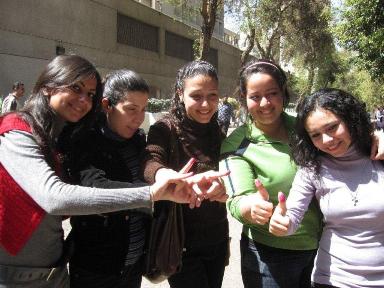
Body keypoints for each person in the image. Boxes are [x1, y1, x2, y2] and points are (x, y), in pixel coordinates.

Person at [0, 55, 203, 288]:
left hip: (58, 271)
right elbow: (55, 197)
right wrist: (150, 194)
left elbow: (152, 164)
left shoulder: (63, 135)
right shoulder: (17, 130)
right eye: (75, 88)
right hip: (18, 275)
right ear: (48, 86)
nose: (83, 99)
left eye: (89, 94)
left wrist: (173, 179)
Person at [220, 59, 322, 288]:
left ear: (283, 93)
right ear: (244, 99)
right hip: (269, 258)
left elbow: (343, 144)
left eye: (272, 93)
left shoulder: (306, 129)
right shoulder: (237, 143)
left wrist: (375, 139)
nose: (265, 103)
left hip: (322, 250)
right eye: (255, 96)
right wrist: (250, 207)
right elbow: (236, 200)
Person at [269, 88, 384, 288]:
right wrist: (283, 224)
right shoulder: (312, 169)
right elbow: (292, 217)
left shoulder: (379, 154)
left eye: (332, 127)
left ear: (351, 119)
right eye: (316, 135)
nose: (327, 140)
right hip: (333, 279)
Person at [143, 60, 230, 288]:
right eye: (196, 96)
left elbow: (232, 171)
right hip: (180, 241)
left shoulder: (217, 130)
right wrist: (165, 175)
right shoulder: (164, 129)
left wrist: (226, 186)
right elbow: (151, 159)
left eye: (212, 96)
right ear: (180, 94)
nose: (205, 104)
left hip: (217, 238)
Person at [64, 69, 150, 288]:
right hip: (95, 269)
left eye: (143, 110)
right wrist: (153, 194)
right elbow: (96, 188)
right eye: (131, 109)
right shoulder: (84, 140)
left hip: (133, 265)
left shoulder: (138, 140)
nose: (139, 119)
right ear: (106, 105)